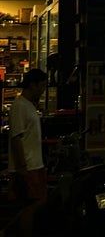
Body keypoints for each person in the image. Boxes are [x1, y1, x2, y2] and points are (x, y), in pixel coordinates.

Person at [5, 68, 48, 237]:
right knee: (30, 206)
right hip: (28, 167)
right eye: (42, 85)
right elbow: (16, 138)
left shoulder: (28, 105)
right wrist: (22, 167)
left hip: (35, 165)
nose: (43, 89)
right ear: (32, 85)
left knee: (37, 203)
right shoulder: (19, 106)